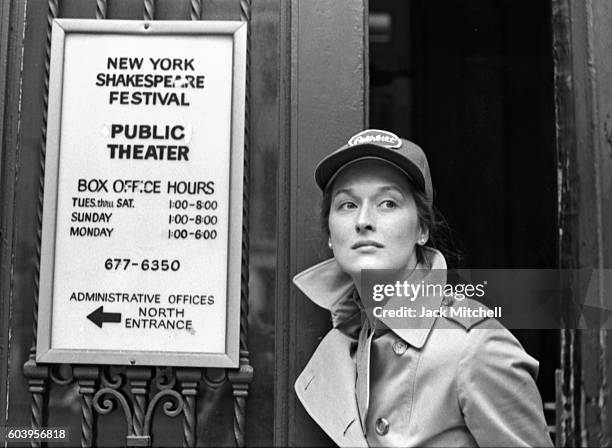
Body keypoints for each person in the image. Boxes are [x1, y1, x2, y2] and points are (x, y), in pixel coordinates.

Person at [292, 129, 554, 447]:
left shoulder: (474, 344)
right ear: (330, 236)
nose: (363, 220)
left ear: (422, 229)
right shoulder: (351, 338)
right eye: (347, 205)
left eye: (388, 203)